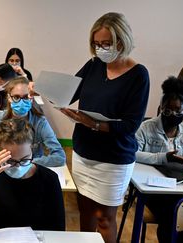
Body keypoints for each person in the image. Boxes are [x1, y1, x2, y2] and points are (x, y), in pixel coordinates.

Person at [59, 12, 150, 243]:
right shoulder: (94, 65)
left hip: (113, 159)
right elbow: (69, 91)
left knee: (105, 220)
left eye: (106, 44)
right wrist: (44, 90)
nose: (100, 49)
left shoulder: (138, 75)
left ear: (122, 41)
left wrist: (95, 124)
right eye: (97, 44)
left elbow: (131, 125)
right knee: (86, 214)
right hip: (83, 152)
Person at [135, 77, 183, 243]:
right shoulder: (147, 127)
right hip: (157, 191)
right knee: (172, 214)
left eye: (178, 110)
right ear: (161, 108)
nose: (173, 114)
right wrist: (163, 158)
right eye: (168, 110)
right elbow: (133, 153)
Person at [0, 118, 65, 238]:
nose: (18, 167)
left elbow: (58, 230)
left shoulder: (49, 179)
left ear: (32, 149)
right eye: (10, 161)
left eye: (25, 159)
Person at [0, 77, 65, 167]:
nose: (21, 102)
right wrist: (3, 160)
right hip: (3, 169)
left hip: (30, 170)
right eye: (16, 97)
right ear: (9, 98)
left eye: (25, 97)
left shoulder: (40, 122)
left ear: (31, 99)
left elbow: (59, 157)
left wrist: (25, 163)